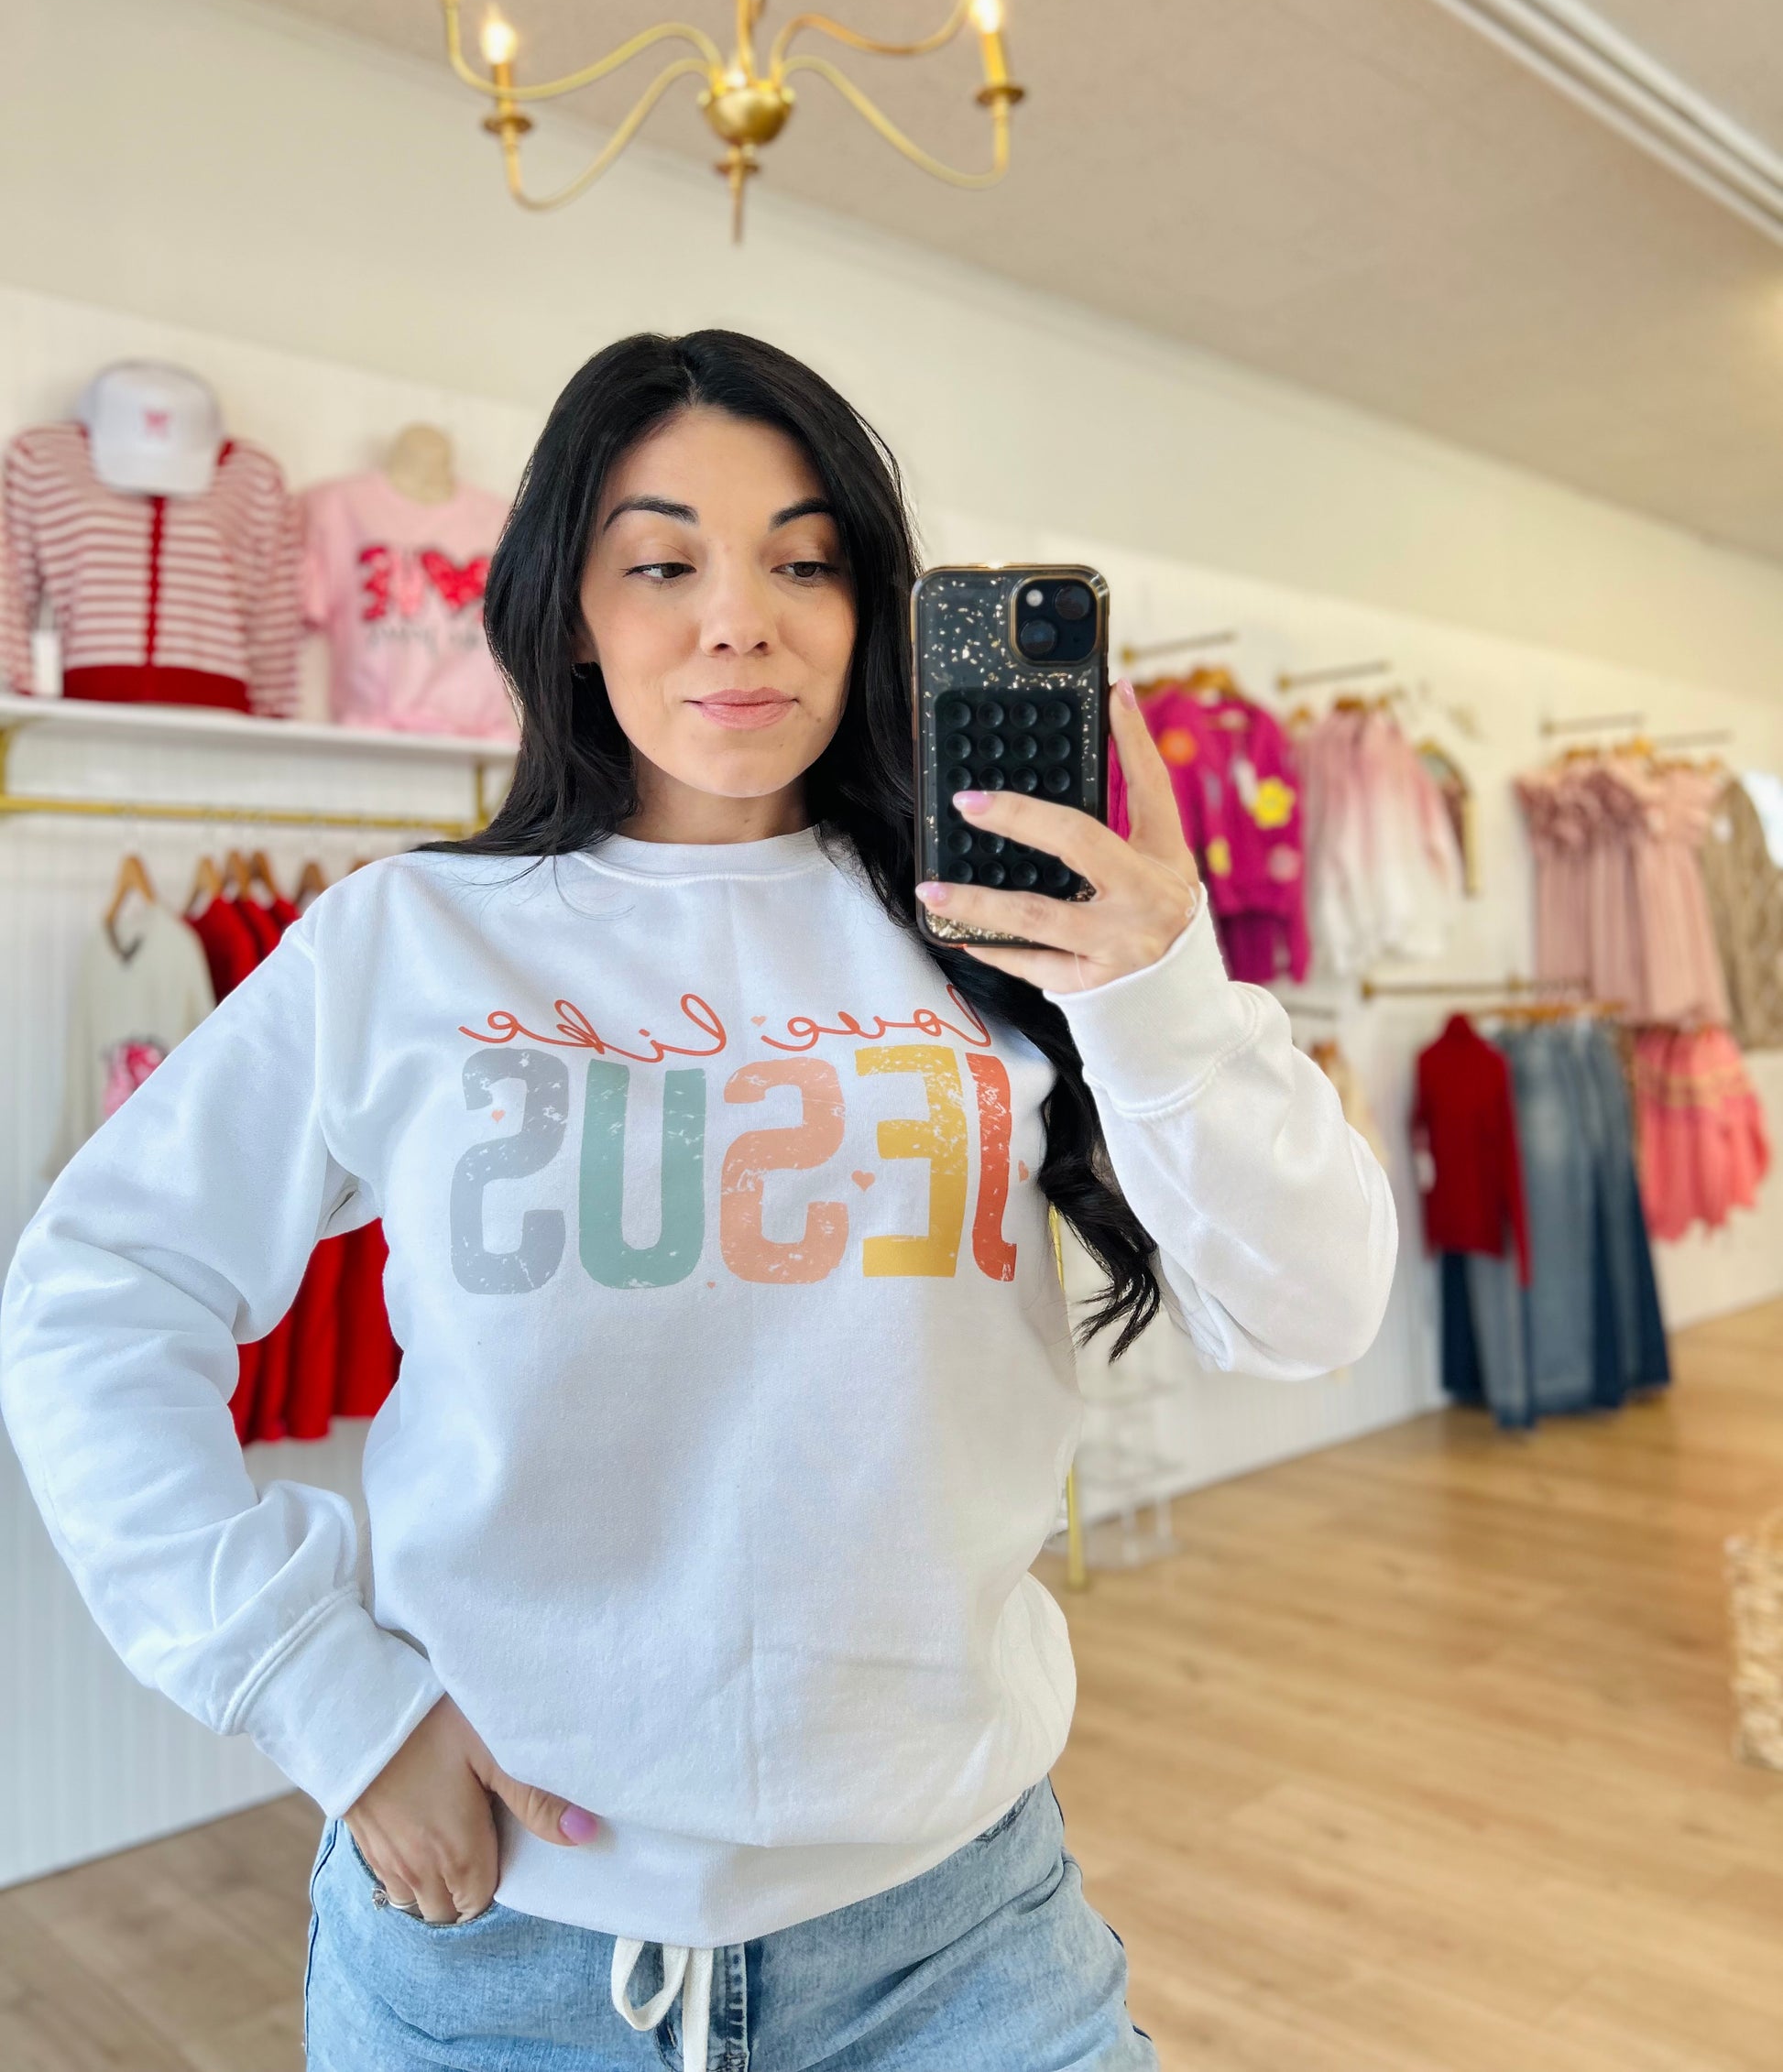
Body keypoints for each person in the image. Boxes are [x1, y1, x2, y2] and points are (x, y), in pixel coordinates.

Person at [0, 330, 1396, 2070]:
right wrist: (322, 1694)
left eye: (803, 564)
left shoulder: (1009, 943)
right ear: (570, 612)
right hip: (498, 1949)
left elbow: (1312, 1315)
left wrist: (1161, 991)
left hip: (955, 1944)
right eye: (662, 565)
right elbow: (93, 1295)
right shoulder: (410, 943)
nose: (740, 621)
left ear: (872, 609)